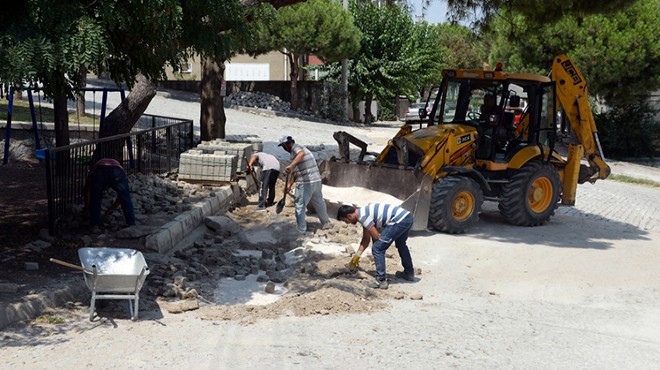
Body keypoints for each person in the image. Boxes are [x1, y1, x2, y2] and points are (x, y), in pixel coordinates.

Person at [337, 203, 415, 290]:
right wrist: (357, 256)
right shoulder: (363, 213)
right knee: (401, 244)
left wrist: (377, 251)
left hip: (398, 220)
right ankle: (409, 273)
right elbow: (366, 239)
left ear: (349, 216)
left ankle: (380, 280)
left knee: (377, 249)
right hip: (407, 217)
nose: (347, 223)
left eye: (345, 220)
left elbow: (376, 236)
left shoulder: (363, 217)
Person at [278, 134, 330, 234]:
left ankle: (301, 230)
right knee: (319, 202)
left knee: (300, 206)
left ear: (286, 144)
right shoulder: (298, 151)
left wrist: (291, 165)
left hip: (306, 182)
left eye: (283, 146)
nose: (284, 149)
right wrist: (289, 185)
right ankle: (326, 223)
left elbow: (300, 154)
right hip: (316, 180)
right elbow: (295, 172)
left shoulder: (296, 149)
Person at [84, 158, 136, 229]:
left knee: (95, 197)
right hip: (117, 172)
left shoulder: (93, 170)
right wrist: (112, 209)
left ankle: (95, 225)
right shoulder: (119, 167)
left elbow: (87, 189)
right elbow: (122, 196)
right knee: (126, 197)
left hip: (100, 172)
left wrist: (87, 207)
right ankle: (131, 223)